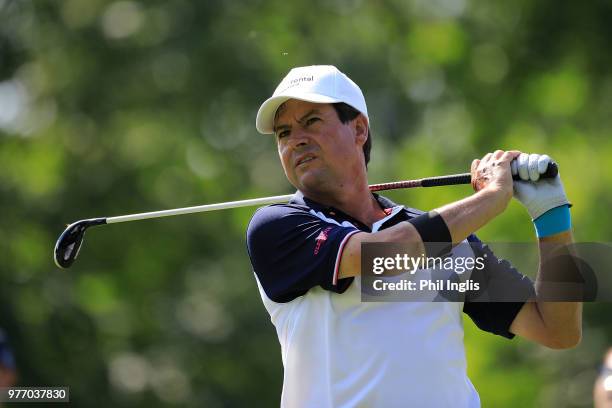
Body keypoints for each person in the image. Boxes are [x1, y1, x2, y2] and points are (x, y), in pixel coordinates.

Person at [246, 65, 582, 407]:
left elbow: (557, 329)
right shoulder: (278, 226)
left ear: (359, 129)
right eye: (283, 132)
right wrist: (492, 198)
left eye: (312, 121)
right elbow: (383, 256)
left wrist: (551, 213)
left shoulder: (452, 242)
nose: (296, 140)